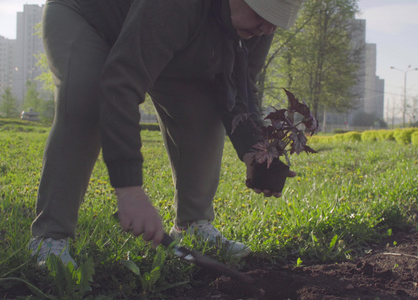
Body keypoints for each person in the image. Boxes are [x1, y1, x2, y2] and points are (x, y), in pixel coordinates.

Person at [28, 0, 304, 267]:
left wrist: (255, 150)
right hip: (93, 19)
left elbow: (237, 83)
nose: (268, 28)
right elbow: (121, 83)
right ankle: (51, 236)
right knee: (87, 102)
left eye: (277, 20)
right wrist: (130, 190)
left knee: (203, 110)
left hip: (170, 42)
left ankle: (193, 225)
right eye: (263, 12)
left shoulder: (261, 26)